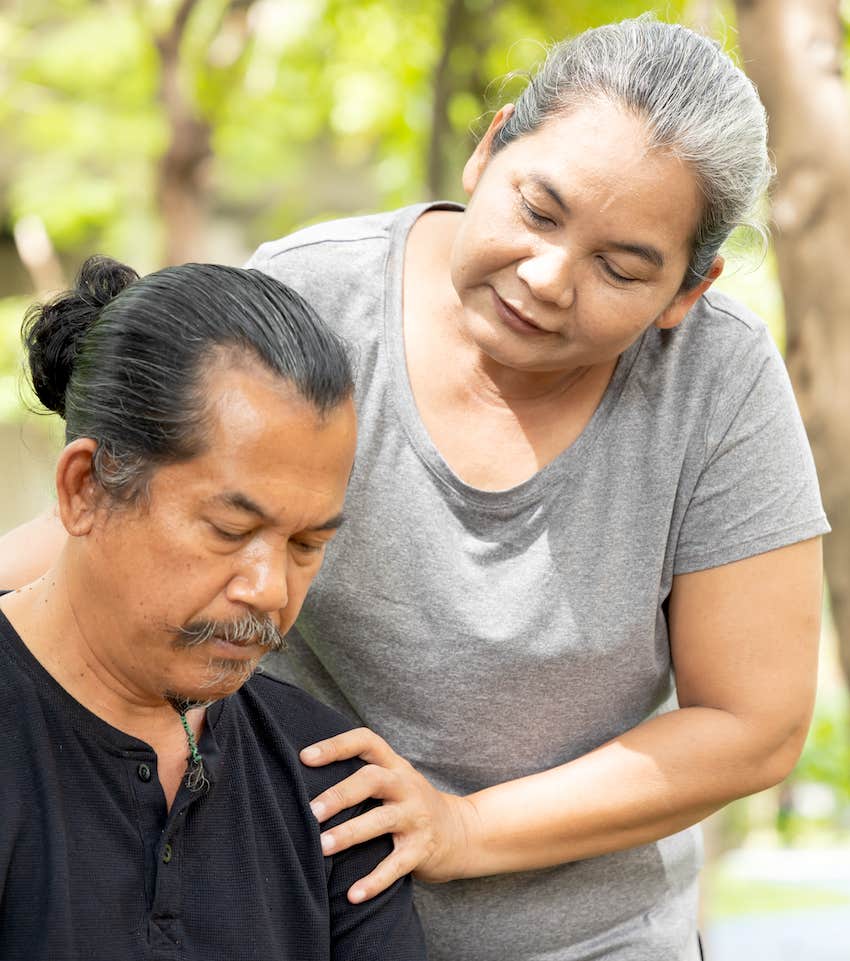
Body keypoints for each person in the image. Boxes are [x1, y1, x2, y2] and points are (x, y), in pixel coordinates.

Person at [0, 17, 829, 961]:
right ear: (490, 147)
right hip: (299, 909)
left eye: (621, 266)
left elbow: (754, 724)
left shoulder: (717, 388)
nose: (549, 276)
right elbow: (134, 507)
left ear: (688, 288)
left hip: (588, 940)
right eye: (539, 210)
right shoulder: (322, 297)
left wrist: (463, 827)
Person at [0, 258, 426, 961]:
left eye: (306, 543)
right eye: (229, 529)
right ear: (85, 489)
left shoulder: (331, 786)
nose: (268, 588)